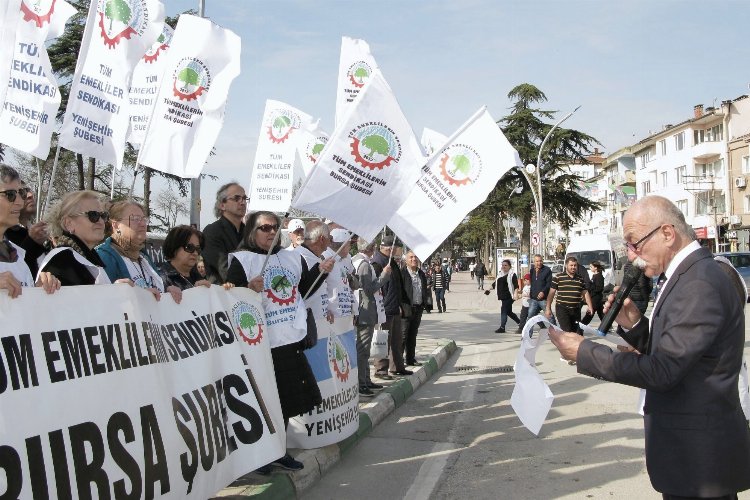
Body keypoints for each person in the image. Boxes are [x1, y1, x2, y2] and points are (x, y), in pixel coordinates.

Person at [548, 195, 750, 498]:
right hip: (690, 457)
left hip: (699, 460)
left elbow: (664, 370)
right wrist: (635, 325)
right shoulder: (688, 275)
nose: (632, 256)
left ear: (667, 233)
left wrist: (584, 352)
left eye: (635, 243)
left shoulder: (699, 282)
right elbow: (682, 352)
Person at [226, 210, 334, 474]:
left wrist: (320, 271)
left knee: (285, 400)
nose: (272, 232)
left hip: (288, 338)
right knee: (263, 400)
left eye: (275, 227)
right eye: (264, 228)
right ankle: (261, 455)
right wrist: (248, 288)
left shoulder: (291, 257)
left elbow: (303, 289)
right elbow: (230, 296)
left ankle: (278, 450)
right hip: (260, 342)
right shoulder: (241, 260)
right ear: (252, 230)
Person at [96, 200, 180, 302]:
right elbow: (102, 301)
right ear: (116, 225)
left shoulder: (143, 257)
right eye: (135, 219)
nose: (143, 224)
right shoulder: (104, 257)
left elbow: (153, 288)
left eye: (144, 219)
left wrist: (167, 291)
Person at [0, 165, 58, 296]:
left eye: (21, 194)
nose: (20, 202)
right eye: (10, 195)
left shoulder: (18, 255)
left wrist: (37, 290)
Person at [40, 190, 115, 286]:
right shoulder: (62, 263)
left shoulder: (88, 257)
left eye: (103, 216)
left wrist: (116, 288)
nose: (101, 222)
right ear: (69, 223)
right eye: (93, 215)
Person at [352, 238, 390, 396]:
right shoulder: (364, 265)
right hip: (365, 310)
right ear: (370, 248)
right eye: (373, 246)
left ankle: (366, 380)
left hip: (364, 309)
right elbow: (368, 289)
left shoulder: (357, 261)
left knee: (365, 349)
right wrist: (384, 276)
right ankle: (361, 383)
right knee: (363, 350)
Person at [371, 236, 411, 378]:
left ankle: (397, 366)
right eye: (396, 248)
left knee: (396, 340)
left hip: (394, 306)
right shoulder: (377, 262)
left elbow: (397, 286)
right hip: (384, 307)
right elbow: (374, 284)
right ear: (389, 248)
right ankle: (381, 369)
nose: (398, 251)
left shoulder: (391, 262)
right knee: (383, 340)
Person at [202, 182, 247, 284]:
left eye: (244, 198)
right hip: (222, 294)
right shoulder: (212, 231)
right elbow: (224, 269)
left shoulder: (250, 232)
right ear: (222, 205)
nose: (242, 202)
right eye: (236, 198)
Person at [6, 180, 47, 277]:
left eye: (28, 191)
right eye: (21, 192)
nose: (30, 195)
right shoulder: (4, 235)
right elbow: (13, 272)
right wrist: (32, 242)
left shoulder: (39, 233)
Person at [159, 225, 217, 290]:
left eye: (198, 249)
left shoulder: (199, 277)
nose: (195, 253)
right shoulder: (160, 280)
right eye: (189, 247)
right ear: (174, 247)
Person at [545, 256, 593, 335]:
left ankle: (575, 347)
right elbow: (551, 293)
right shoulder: (558, 277)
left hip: (576, 310)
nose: (573, 267)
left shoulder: (580, 279)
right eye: (571, 265)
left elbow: (585, 292)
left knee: (577, 332)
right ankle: (567, 346)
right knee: (567, 331)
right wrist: (548, 308)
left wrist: (590, 306)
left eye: (575, 265)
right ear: (566, 265)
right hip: (562, 309)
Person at [401, 250, 428, 366]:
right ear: (406, 260)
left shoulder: (421, 274)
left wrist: (425, 304)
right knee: (403, 335)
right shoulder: (402, 274)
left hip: (418, 308)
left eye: (415, 257)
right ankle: (398, 362)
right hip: (406, 309)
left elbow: (424, 290)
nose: (414, 259)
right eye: (411, 257)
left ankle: (410, 359)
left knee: (413, 335)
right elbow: (399, 292)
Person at [487, 259, 520, 333]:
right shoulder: (500, 274)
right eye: (503, 265)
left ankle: (502, 327)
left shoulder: (512, 275)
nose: (504, 266)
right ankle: (520, 323)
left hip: (509, 296)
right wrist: (489, 289)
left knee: (504, 310)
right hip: (502, 296)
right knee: (508, 312)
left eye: (506, 265)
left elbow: (516, 286)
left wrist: (515, 294)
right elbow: (495, 283)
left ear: (509, 266)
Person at [527, 254, 553, 321]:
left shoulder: (547, 270)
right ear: (534, 262)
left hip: (543, 299)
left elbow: (549, 284)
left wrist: (543, 292)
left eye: (540, 261)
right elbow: (532, 283)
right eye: (537, 261)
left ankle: (555, 330)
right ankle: (528, 331)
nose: (539, 263)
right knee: (530, 317)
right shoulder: (532, 270)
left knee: (550, 317)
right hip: (533, 299)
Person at [581, 261, 605, 325]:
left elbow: (599, 288)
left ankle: (582, 325)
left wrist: (591, 288)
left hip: (596, 298)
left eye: (591, 267)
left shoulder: (599, 276)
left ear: (596, 268)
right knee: (601, 313)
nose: (590, 268)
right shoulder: (595, 276)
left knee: (590, 312)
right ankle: (607, 325)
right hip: (596, 298)